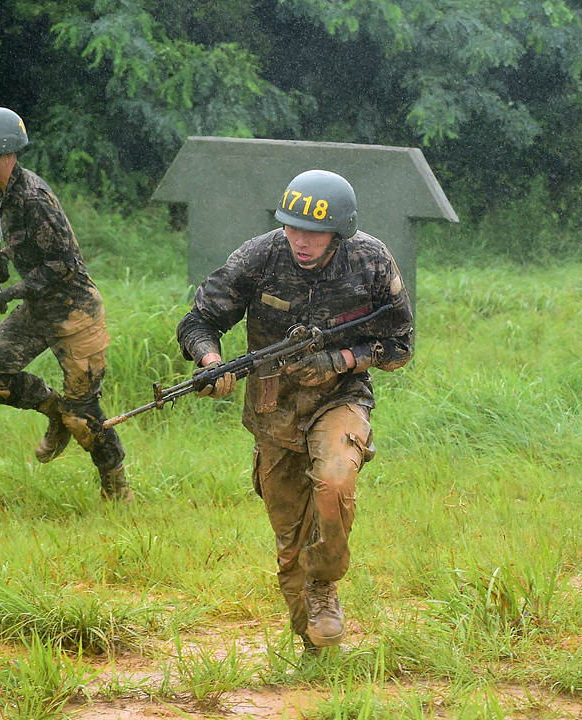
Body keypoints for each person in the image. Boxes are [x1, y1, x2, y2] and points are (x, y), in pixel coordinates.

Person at [176, 169, 413, 655]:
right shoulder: (259, 256)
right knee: (291, 547)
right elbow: (200, 320)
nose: (300, 240)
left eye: (314, 231)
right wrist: (211, 361)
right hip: (274, 412)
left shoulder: (371, 260)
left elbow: (400, 344)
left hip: (340, 398)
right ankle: (317, 651)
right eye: (292, 227)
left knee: (335, 481)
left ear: (339, 231)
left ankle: (325, 582)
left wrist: (341, 360)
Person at [0, 106, 131, 502]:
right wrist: (0, 265)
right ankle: (54, 411)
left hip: (75, 313)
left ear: (4, 150)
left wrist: (9, 294)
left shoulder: (32, 197)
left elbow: (63, 264)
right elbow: (29, 250)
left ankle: (117, 489)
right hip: (40, 309)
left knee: (83, 416)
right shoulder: (4, 193)